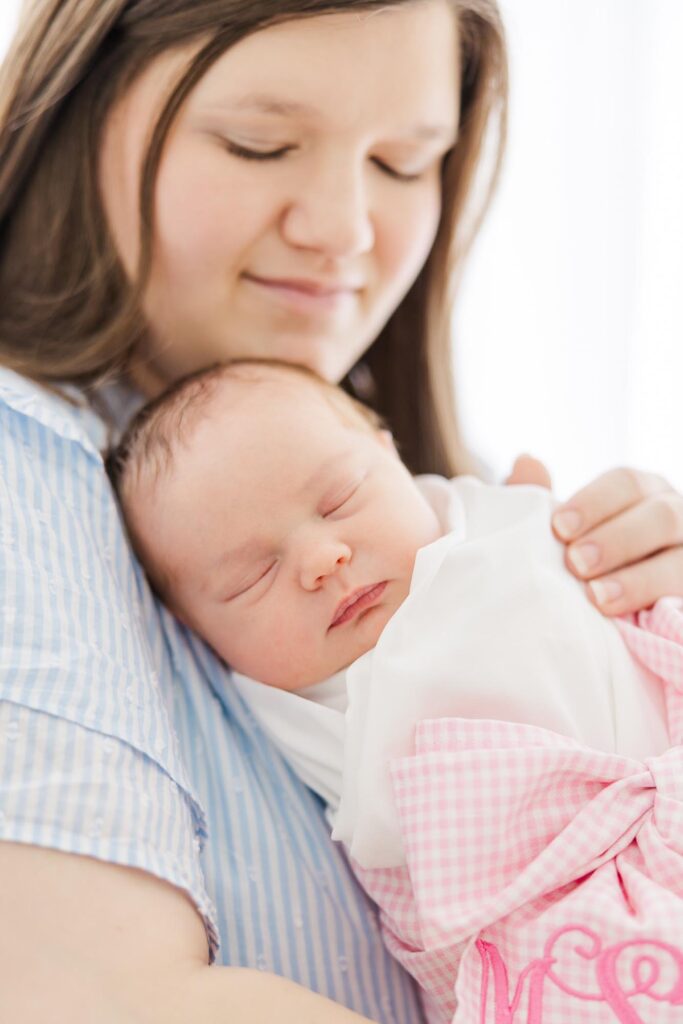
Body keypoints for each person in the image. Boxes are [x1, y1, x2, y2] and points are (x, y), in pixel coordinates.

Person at [0, 1, 682, 1021]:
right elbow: (103, 996)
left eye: (403, 163)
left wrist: (638, 635)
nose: (344, 231)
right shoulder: (33, 469)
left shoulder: (462, 502)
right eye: (257, 144)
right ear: (81, 108)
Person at [106, 357, 683, 1023]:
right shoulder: (289, 713)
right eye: (252, 577)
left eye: (339, 500)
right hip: (560, 930)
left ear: (390, 454)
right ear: (195, 631)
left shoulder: (513, 523)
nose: (323, 560)